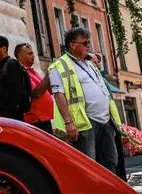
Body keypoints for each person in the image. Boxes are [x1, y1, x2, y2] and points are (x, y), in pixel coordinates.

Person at [50, 27, 123, 173]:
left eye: (88, 43)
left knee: (110, 161)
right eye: (84, 43)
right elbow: (59, 95)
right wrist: (68, 122)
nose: (88, 46)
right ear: (72, 45)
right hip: (86, 122)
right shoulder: (59, 66)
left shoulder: (89, 63)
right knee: (89, 165)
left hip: (106, 120)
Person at [0, 36, 31, 121]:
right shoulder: (4, 65)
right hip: (8, 117)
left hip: (12, 118)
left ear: (4, 48)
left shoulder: (11, 65)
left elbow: (15, 94)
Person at [15, 43, 54, 133]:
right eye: (29, 54)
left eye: (33, 53)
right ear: (20, 56)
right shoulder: (21, 73)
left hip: (44, 118)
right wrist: (49, 73)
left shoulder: (32, 71)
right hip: (35, 120)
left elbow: (49, 90)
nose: (33, 56)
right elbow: (36, 93)